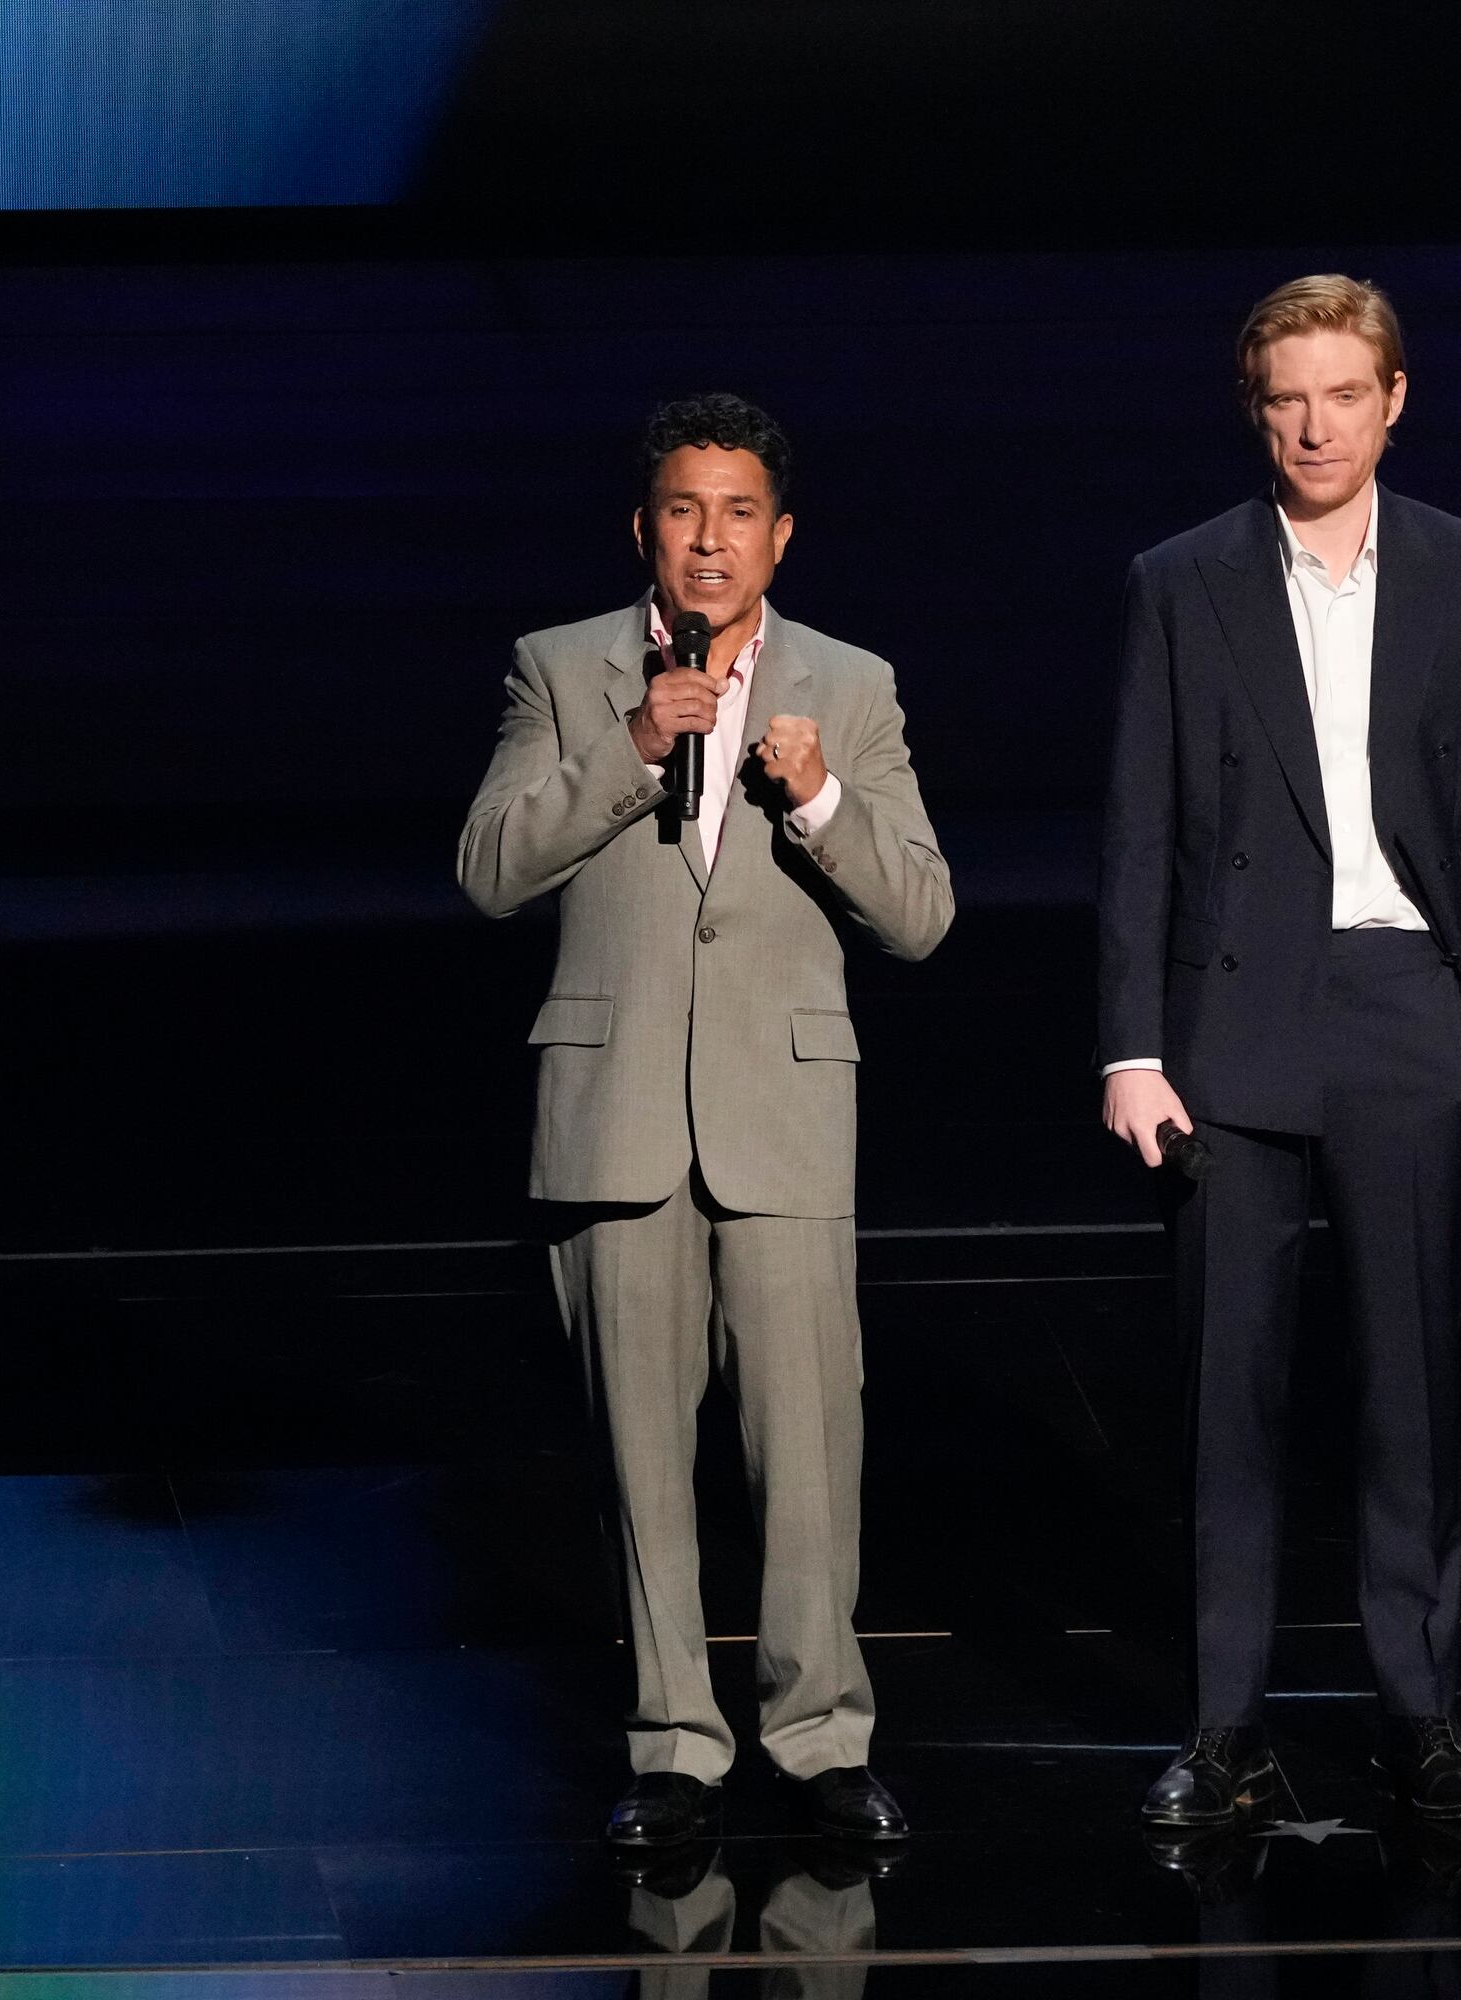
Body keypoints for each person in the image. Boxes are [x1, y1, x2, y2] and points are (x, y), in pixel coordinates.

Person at [459, 393, 954, 1850]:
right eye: (685, 511)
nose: (710, 540)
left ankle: (819, 1737)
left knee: (807, 1453)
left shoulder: (850, 685)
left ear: (780, 536)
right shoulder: (561, 670)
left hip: (783, 1116)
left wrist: (818, 799)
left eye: (739, 513)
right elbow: (490, 869)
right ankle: (674, 1742)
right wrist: (629, 748)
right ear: (645, 529)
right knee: (639, 1455)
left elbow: (923, 914)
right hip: (615, 1118)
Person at [1097, 275, 1461, 1826]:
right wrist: (1131, 1049)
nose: (1315, 426)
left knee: (1411, 1390)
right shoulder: (1183, 580)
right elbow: (1138, 824)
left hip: (1410, 1012)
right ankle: (1226, 1724)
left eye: (1344, 393)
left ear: (1394, 400)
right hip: (1232, 1027)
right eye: (1288, 397)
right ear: (1256, 408)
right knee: (1229, 1393)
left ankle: (1420, 1714)